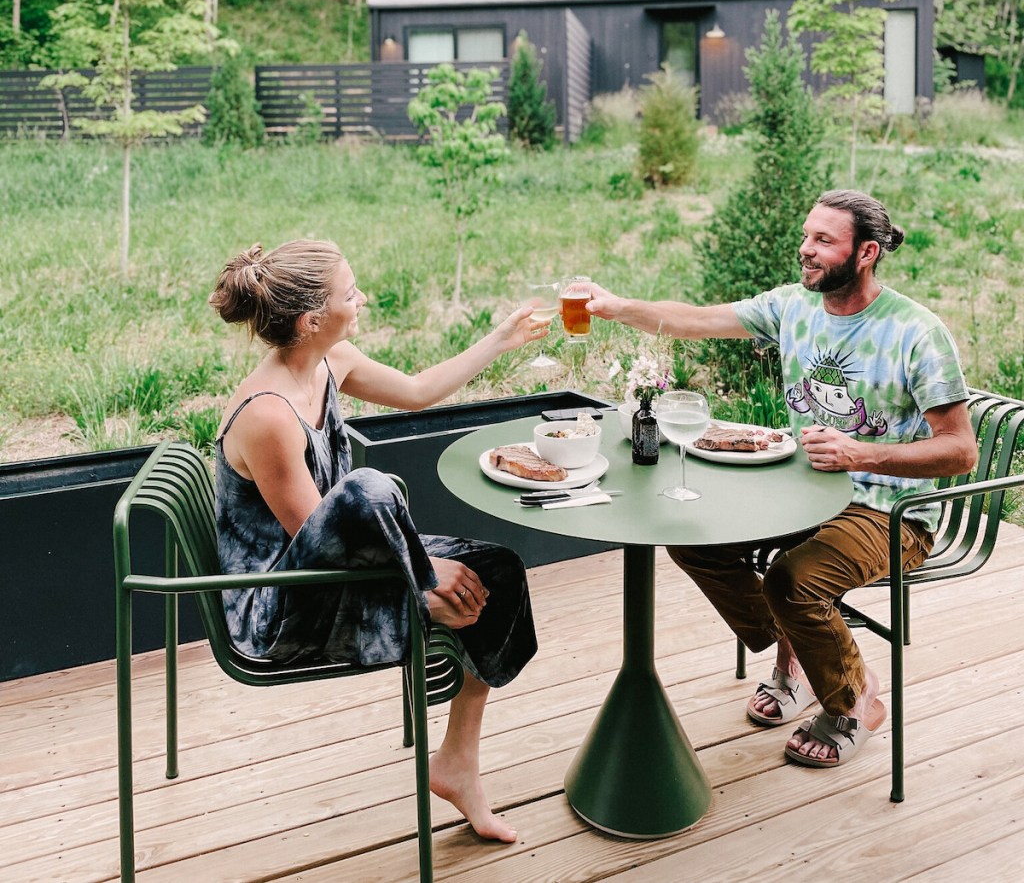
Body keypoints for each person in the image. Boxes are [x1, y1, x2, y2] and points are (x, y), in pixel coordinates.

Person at [587, 189, 976, 768]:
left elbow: (960, 451)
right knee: (691, 537)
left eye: (823, 240)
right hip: (799, 494)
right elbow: (695, 322)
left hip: (889, 510)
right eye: (806, 235)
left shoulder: (916, 332)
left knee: (793, 581)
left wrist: (859, 454)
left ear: (866, 253)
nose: (805, 250)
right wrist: (617, 306)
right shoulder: (792, 306)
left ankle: (853, 701)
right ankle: (802, 656)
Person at [209, 239, 546, 841]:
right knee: (369, 486)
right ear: (312, 319)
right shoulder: (267, 415)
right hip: (280, 601)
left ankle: (458, 763)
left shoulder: (329, 360)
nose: (361, 298)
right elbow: (317, 543)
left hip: (341, 561)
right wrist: (420, 583)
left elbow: (417, 391)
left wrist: (501, 339)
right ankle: (424, 586)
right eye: (349, 292)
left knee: (499, 569)